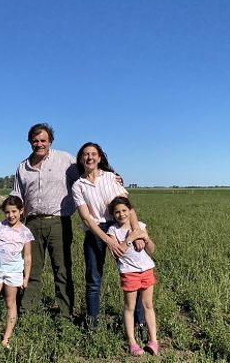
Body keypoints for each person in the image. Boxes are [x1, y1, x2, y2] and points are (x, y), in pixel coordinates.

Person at [71, 142, 147, 328]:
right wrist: (108, 241)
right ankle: (92, 326)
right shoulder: (78, 185)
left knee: (133, 275)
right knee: (93, 279)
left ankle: (140, 324)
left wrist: (135, 232)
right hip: (95, 231)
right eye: (86, 154)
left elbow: (128, 207)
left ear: (100, 157)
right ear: (81, 159)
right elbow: (86, 218)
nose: (89, 157)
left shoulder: (112, 178)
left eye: (93, 154)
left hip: (120, 228)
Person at [11, 123, 80, 319]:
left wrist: (110, 176)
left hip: (59, 221)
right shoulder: (22, 167)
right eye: (35, 140)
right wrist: (12, 225)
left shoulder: (65, 159)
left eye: (43, 140)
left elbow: (85, 176)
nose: (39, 144)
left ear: (50, 141)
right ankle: (27, 311)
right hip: (31, 223)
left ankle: (65, 314)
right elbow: (17, 196)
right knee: (31, 268)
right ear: (29, 142)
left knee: (62, 268)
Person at [107, 196, 159, 356]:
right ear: (112, 214)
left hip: (147, 270)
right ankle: (132, 342)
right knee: (129, 308)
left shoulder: (140, 226)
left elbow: (152, 250)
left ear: (130, 211)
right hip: (129, 272)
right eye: (117, 212)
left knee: (148, 305)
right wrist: (129, 239)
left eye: (124, 210)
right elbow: (116, 254)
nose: (121, 214)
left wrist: (145, 237)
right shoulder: (112, 231)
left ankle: (153, 341)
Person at [0, 195, 34, 348]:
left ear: (21, 211)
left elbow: (28, 256)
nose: (11, 215)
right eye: (7, 212)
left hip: (14, 272)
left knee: (10, 304)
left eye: (14, 211)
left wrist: (26, 277)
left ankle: (6, 338)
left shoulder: (25, 232)